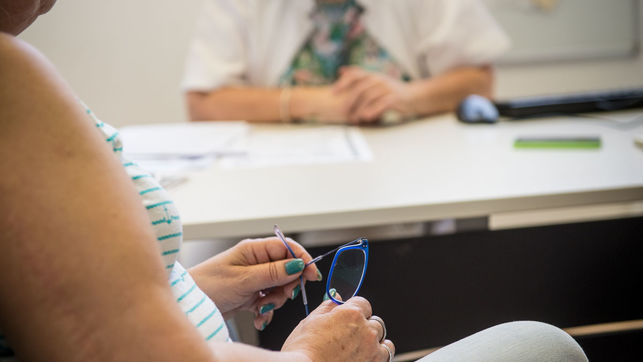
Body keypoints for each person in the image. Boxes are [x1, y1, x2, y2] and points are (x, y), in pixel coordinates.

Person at [0, 1, 588, 361]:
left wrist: (195, 285)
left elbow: (87, 313)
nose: (53, 5)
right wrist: (308, 356)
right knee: (546, 346)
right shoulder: (14, 88)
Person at [182, 0, 510, 125]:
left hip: (412, 196)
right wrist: (313, 102)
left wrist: (408, 96)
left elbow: (479, 80)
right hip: (271, 206)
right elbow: (203, 103)